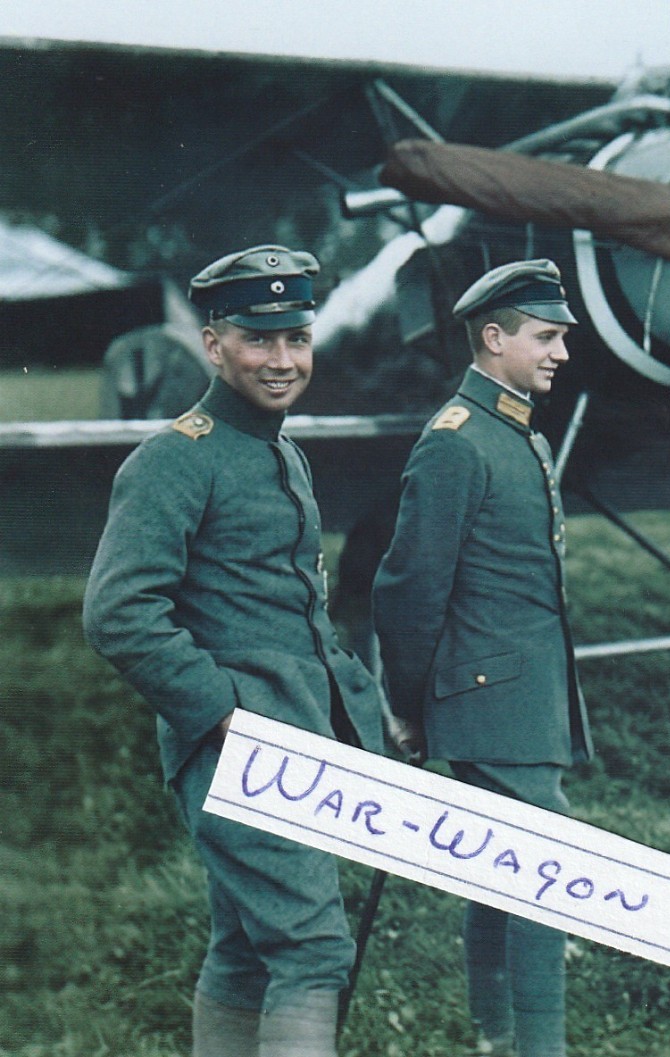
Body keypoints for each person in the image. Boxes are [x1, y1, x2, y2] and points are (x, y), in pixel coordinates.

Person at [82, 245, 386, 1057]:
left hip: (292, 739)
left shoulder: (282, 451)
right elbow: (117, 612)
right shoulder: (174, 459)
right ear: (213, 345)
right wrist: (223, 713)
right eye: (258, 339)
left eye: (297, 338)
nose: (282, 360)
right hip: (240, 750)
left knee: (248, 944)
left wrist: (360, 711)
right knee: (311, 947)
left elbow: (298, 612)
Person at [371, 259, 591, 1057]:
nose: (561, 351)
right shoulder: (458, 442)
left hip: (520, 695)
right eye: (546, 336)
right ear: (494, 338)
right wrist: (408, 706)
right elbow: (408, 589)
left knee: (502, 866)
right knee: (543, 868)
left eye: (561, 336)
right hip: (490, 699)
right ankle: (537, 1046)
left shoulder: (514, 429)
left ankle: (496, 1034)